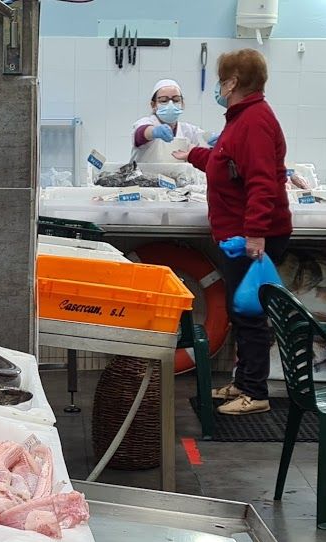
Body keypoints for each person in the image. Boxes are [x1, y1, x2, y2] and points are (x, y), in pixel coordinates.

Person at [173, 50, 291, 417]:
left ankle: (255, 392)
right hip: (240, 235)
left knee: (250, 314)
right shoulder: (241, 119)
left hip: (251, 238)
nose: (219, 87)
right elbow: (224, 163)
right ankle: (243, 382)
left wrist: (255, 235)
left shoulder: (254, 121)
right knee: (243, 313)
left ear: (232, 82)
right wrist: (193, 154)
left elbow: (261, 184)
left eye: (222, 80)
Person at [130, 79, 207, 165]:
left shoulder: (189, 131)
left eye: (176, 100)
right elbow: (140, 133)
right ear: (153, 105)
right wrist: (153, 131)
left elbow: (205, 142)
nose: (171, 104)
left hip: (177, 177)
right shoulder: (146, 122)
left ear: (182, 104)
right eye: (163, 101)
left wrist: (215, 140)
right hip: (143, 177)